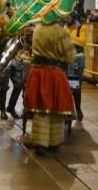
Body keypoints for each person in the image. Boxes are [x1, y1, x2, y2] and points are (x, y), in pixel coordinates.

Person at [24, 21, 78, 152]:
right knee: (55, 106)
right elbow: (70, 56)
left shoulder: (37, 29)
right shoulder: (61, 32)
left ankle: (40, 142)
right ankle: (53, 141)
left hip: (38, 72)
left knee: (41, 107)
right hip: (54, 72)